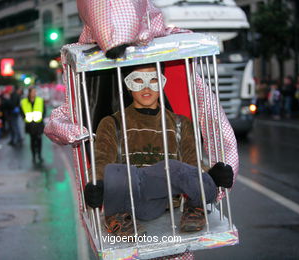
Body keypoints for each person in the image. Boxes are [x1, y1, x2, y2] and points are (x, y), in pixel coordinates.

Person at [83, 64, 234, 236]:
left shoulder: (180, 124)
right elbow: (101, 163)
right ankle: (117, 220)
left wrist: (211, 176)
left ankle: (196, 206)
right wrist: (97, 185)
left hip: (166, 202)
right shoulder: (111, 123)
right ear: (127, 84)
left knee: (174, 169)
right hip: (128, 203)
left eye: (153, 79)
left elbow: (192, 165)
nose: (146, 87)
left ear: (162, 83)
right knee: (117, 172)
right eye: (138, 80)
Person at [20, 87, 46, 164]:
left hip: (38, 123)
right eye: (33, 92)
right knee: (32, 140)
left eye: (35, 92)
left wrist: (42, 118)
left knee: (39, 140)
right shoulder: (24, 101)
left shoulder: (40, 100)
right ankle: (34, 156)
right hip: (30, 124)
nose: (34, 93)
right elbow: (21, 111)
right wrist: (25, 118)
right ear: (29, 93)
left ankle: (39, 155)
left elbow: (43, 110)